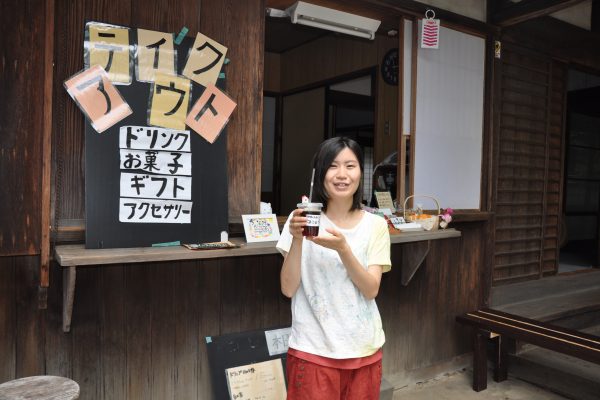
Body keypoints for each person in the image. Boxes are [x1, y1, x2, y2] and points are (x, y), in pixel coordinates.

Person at [276, 137, 392, 400]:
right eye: (333, 166)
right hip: (312, 349)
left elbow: (371, 289)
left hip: (363, 349)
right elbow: (287, 288)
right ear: (319, 173)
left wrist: (343, 249)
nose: (342, 175)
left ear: (361, 172)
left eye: (350, 166)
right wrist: (296, 238)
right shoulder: (302, 221)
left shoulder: (375, 226)